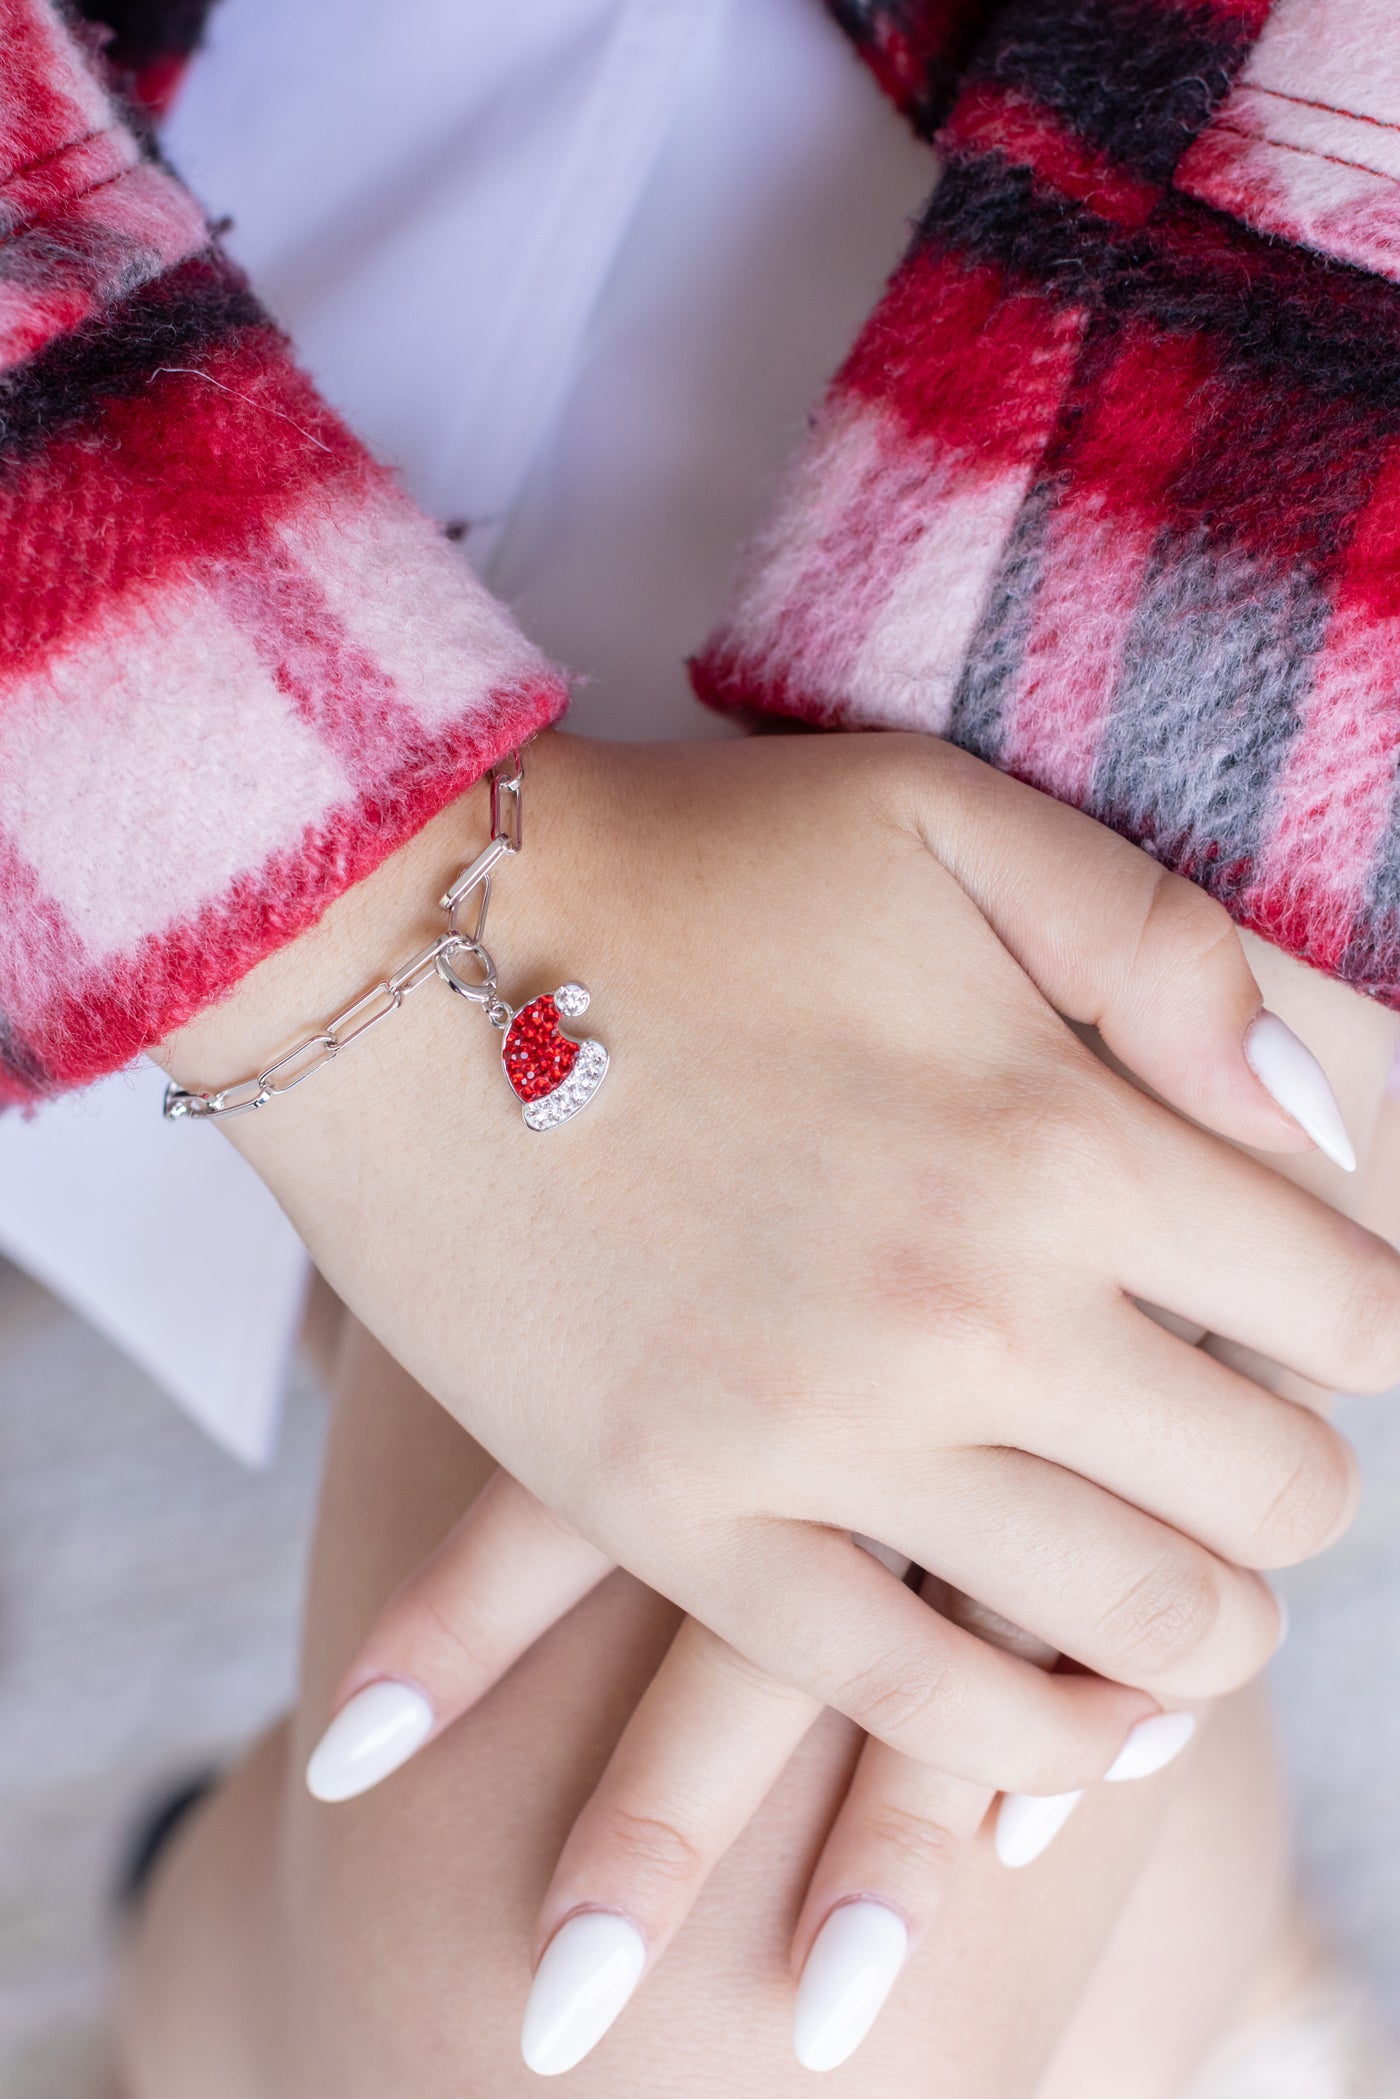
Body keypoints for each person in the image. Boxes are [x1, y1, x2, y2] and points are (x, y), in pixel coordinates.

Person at [1, 0, 1397, 2091]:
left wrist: (1189, 833)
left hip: (1193, 285)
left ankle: (220, 2001)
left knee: (730, 1957)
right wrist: (355, 954)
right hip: (138, 288)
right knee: (704, 1984)